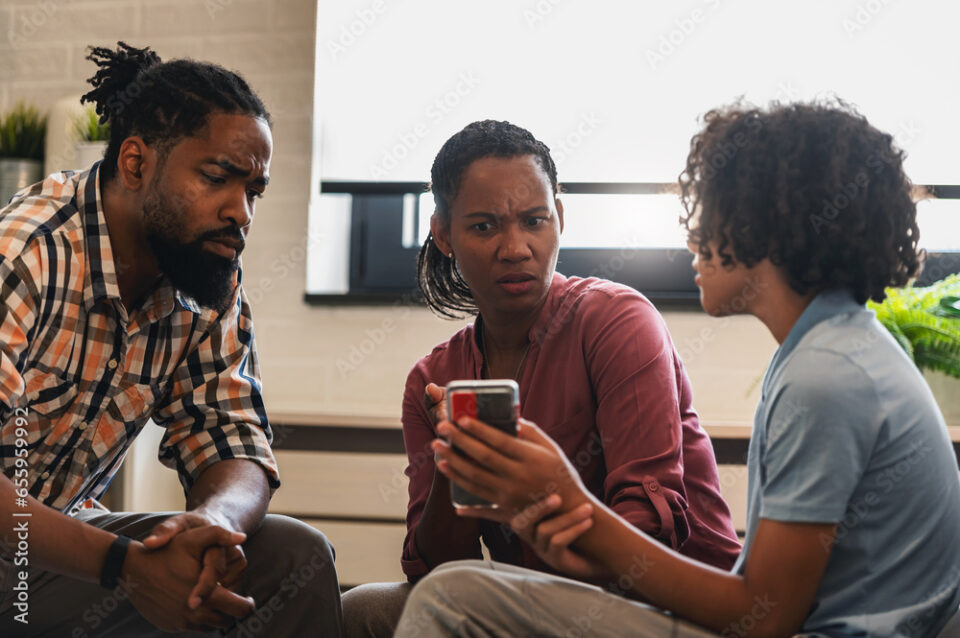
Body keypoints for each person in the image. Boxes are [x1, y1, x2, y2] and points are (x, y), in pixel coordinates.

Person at [396, 101, 960, 637]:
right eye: (484, 226)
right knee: (382, 608)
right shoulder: (822, 352)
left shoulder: (825, 376)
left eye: (713, 214)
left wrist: (568, 502)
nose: (692, 234)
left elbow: (763, 619)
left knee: (453, 597)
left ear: (770, 228)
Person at [342, 120, 741, 637]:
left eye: (534, 220)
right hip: (544, 603)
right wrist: (453, 462)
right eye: (484, 227)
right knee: (364, 610)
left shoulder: (616, 321)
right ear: (443, 233)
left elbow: (650, 531)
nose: (515, 248)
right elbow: (434, 567)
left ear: (560, 216)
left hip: (676, 608)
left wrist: (553, 503)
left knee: (457, 597)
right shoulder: (435, 379)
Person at [0, 43, 342, 636]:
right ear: (136, 163)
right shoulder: (25, 256)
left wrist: (210, 527)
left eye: (253, 191)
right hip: (32, 553)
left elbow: (232, 438)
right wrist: (126, 568)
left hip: (57, 554)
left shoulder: (205, 278)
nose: (242, 213)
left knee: (293, 556)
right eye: (217, 178)